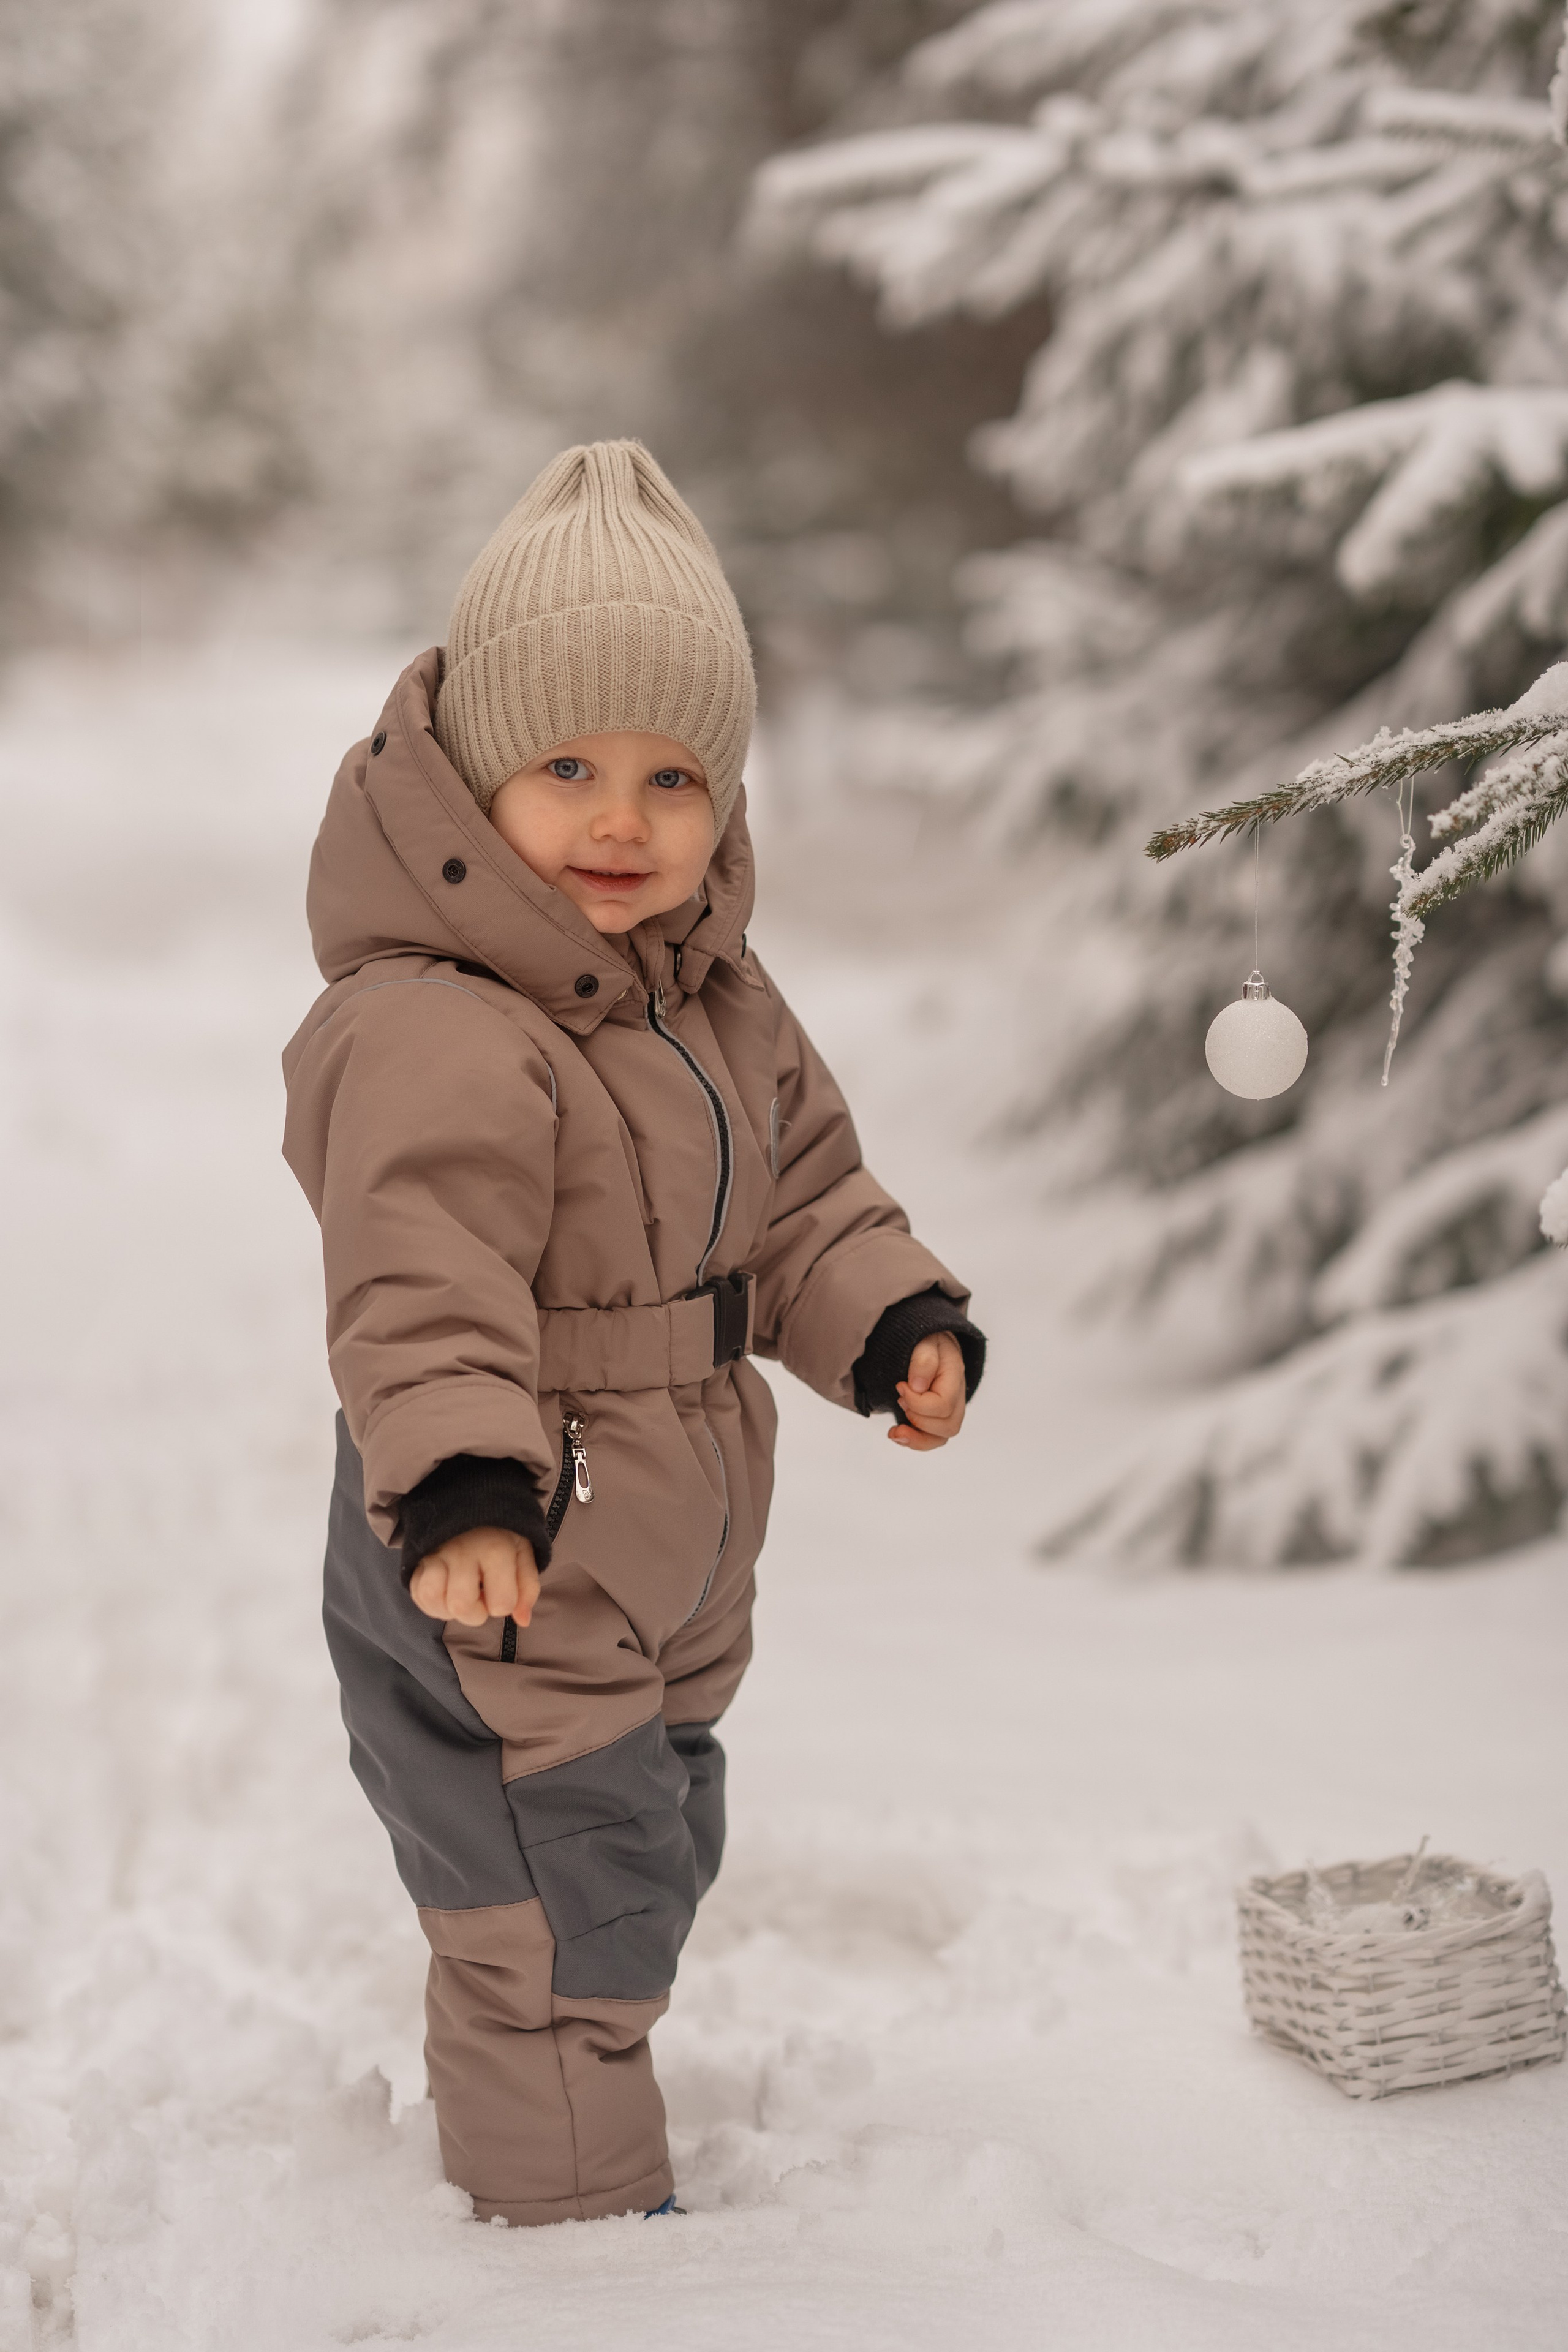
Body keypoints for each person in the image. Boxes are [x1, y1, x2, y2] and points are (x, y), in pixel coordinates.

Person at [282, 439, 984, 2226]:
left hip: (668, 1547)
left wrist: (887, 1312)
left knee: (643, 1857)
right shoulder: (439, 1026)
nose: (624, 820)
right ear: (472, 776)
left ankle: (580, 2149)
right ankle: (583, 2257)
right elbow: (419, 1276)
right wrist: (459, 1490)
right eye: (570, 766)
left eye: (677, 777)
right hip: (509, 1546)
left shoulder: (716, 1000)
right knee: (555, 1922)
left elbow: (809, 1195)